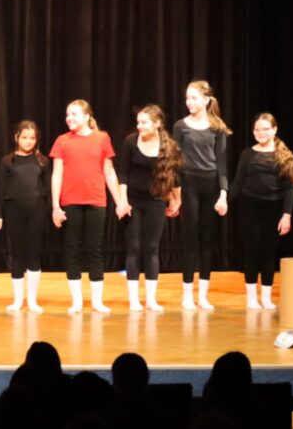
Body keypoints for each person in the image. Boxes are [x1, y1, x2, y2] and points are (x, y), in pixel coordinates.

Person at [50, 100, 128, 313]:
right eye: (67, 114)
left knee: (95, 250)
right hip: (70, 202)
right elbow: (57, 175)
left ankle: (97, 301)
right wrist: (55, 206)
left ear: (86, 116)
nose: (69, 118)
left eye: (74, 114)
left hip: (96, 200)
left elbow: (109, 172)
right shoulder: (62, 141)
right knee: (72, 250)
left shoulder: (102, 138)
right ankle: (76, 301)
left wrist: (120, 201)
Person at [228, 113, 293, 309]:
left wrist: (286, 215)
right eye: (257, 129)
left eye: (265, 129)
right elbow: (237, 183)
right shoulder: (247, 154)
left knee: (268, 253)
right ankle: (251, 298)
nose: (260, 133)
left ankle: (266, 298)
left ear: (274, 130)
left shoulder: (285, 155)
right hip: (249, 206)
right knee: (251, 251)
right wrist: (224, 200)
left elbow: (289, 188)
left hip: (273, 208)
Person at [116, 105, 182, 312]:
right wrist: (122, 201)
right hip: (133, 202)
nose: (139, 126)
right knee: (134, 248)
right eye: (138, 122)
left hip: (156, 200)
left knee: (152, 248)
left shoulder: (169, 146)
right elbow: (122, 174)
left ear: (157, 123)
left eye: (144, 122)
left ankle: (151, 299)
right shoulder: (130, 142)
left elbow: (174, 177)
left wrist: (176, 200)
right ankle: (134, 300)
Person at [172, 80, 231, 310]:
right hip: (189, 183)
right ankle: (187, 294)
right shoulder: (180, 126)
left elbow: (222, 163)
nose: (189, 102)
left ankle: (203, 296)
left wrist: (223, 194)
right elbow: (175, 163)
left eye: (194, 98)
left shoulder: (218, 127)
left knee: (207, 240)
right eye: (187, 98)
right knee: (190, 239)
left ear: (206, 99)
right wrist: (175, 195)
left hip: (211, 184)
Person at [0, 120, 50, 312]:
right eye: (24, 137)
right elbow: (1, 188)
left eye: (32, 138)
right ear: (16, 137)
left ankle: (32, 300)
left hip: (37, 210)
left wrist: (51, 209)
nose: (28, 141)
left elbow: (48, 188)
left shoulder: (42, 161)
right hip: (14, 211)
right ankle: (18, 300)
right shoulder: (7, 161)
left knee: (34, 253)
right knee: (17, 253)